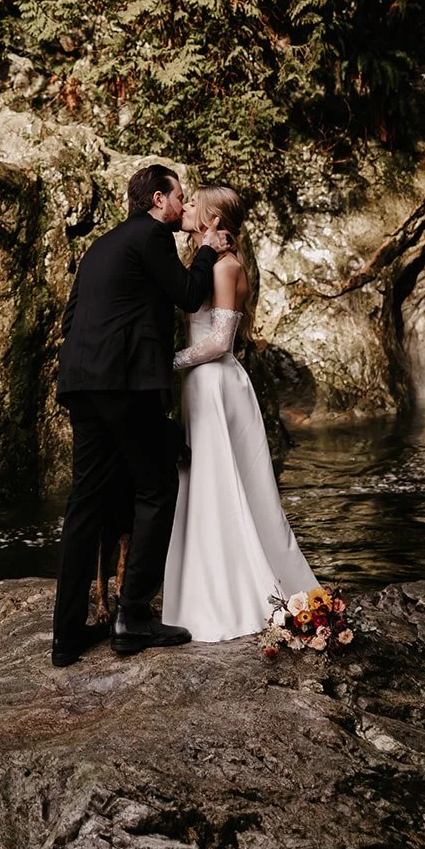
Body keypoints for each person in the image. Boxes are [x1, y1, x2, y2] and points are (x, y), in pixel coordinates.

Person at [52, 163, 231, 667]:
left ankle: (66, 636)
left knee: (85, 504)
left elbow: (70, 319)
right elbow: (188, 294)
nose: (182, 204)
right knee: (156, 487)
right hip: (125, 385)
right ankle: (132, 618)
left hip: (81, 384)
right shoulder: (152, 237)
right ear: (158, 199)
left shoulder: (100, 247)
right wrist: (206, 250)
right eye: (178, 196)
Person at [162, 184, 318, 641]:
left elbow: (218, 342)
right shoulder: (204, 261)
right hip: (201, 383)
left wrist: (166, 362)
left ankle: (232, 595)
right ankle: (200, 587)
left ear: (212, 219)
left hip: (215, 382)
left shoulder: (226, 266)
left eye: (193, 203)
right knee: (202, 482)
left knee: (221, 484)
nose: (186, 207)